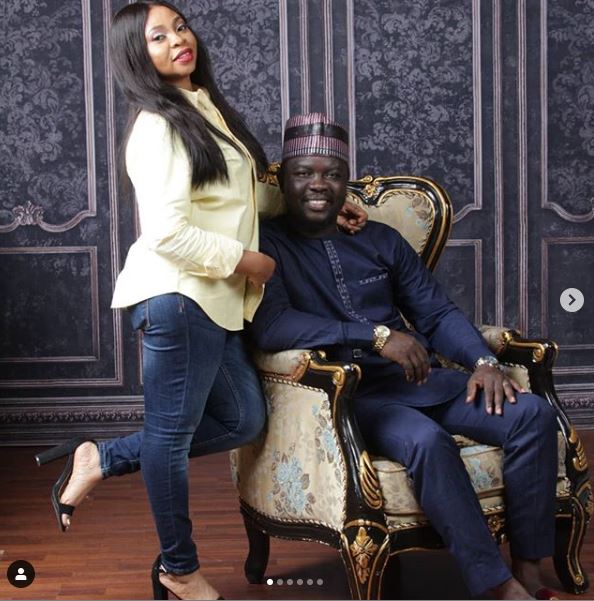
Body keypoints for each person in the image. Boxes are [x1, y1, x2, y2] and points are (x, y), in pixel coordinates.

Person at [34, 5, 365, 600]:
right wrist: (250, 262)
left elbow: (239, 199)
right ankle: (179, 569)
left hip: (213, 302)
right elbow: (166, 232)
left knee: (242, 420)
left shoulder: (203, 106)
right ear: (137, 56)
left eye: (179, 27)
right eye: (157, 37)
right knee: (170, 438)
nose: (177, 41)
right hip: (178, 298)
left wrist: (321, 205)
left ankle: (99, 459)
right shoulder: (156, 126)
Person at [249, 113, 560, 600]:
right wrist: (375, 336)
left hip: (418, 380)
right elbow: (273, 325)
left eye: (332, 174)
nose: (318, 184)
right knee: (426, 441)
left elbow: (435, 312)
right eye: (303, 173)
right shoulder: (267, 244)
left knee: (532, 415)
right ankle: (496, 585)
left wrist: (483, 362)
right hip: (350, 397)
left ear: (346, 182)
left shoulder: (380, 239)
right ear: (284, 179)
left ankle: (528, 564)